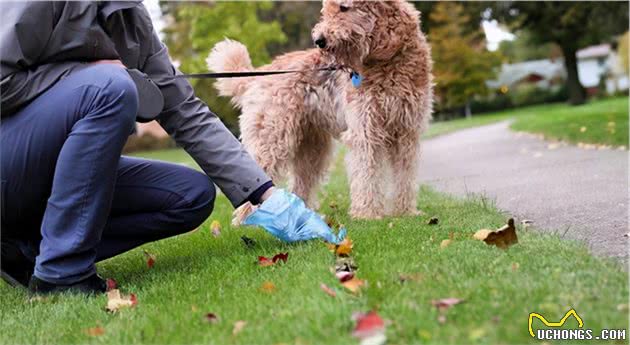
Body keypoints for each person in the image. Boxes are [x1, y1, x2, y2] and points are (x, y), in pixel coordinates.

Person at [0, 1, 339, 295]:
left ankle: (26, 253)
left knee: (190, 195)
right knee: (111, 87)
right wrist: (85, 73)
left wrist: (267, 196)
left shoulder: (131, 18)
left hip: (52, 173)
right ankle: (62, 273)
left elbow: (183, 110)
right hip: (10, 164)